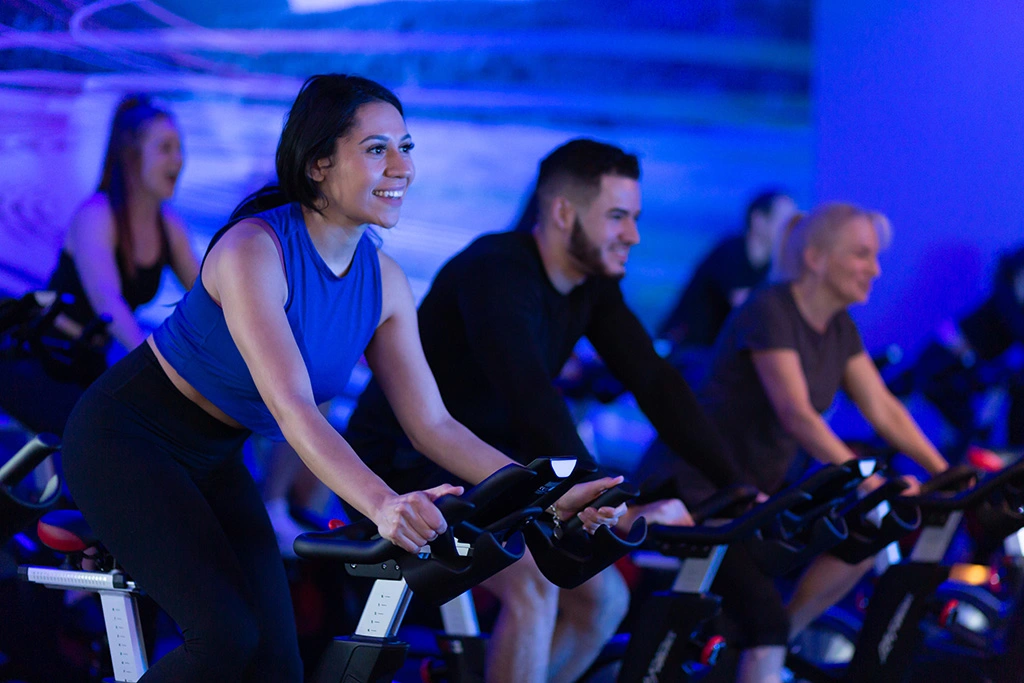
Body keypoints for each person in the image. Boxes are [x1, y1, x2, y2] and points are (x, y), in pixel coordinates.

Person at [59, 75, 623, 682]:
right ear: (320, 163)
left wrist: (544, 494)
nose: (401, 166)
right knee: (224, 639)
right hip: (126, 440)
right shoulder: (254, 250)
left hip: (215, 458)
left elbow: (432, 424)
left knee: (278, 665)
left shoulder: (386, 283)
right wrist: (383, 504)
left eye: (407, 147)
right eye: (377, 149)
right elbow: (294, 408)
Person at [346, 138, 742, 683]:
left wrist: (736, 485)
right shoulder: (495, 269)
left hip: (491, 473)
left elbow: (655, 382)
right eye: (618, 217)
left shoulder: (592, 288)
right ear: (562, 212)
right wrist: (604, 501)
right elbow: (529, 394)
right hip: (406, 464)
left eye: (636, 218)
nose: (634, 235)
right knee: (536, 584)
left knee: (603, 602)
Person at [642, 202, 948, 683]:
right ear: (816, 257)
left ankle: (770, 647)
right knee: (764, 621)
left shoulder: (840, 327)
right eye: (862, 255)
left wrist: (941, 470)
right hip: (699, 492)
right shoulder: (770, 310)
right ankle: (766, 646)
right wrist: (863, 478)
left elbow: (882, 407)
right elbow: (797, 414)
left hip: (754, 501)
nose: (875, 269)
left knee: (858, 543)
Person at [0, 95, 199, 436]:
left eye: (180, 148)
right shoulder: (96, 214)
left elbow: (208, 292)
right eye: (166, 148)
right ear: (131, 156)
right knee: (107, 439)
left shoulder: (169, 224)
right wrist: (163, 370)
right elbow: (109, 302)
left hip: (86, 361)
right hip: (37, 354)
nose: (178, 160)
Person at [657, 190, 797, 349]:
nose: (790, 229)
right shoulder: (730, 252)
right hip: (688, 351)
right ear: (758, 220)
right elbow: (744, 304)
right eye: (784, 221)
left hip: (715, 354)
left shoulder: (771, 265)